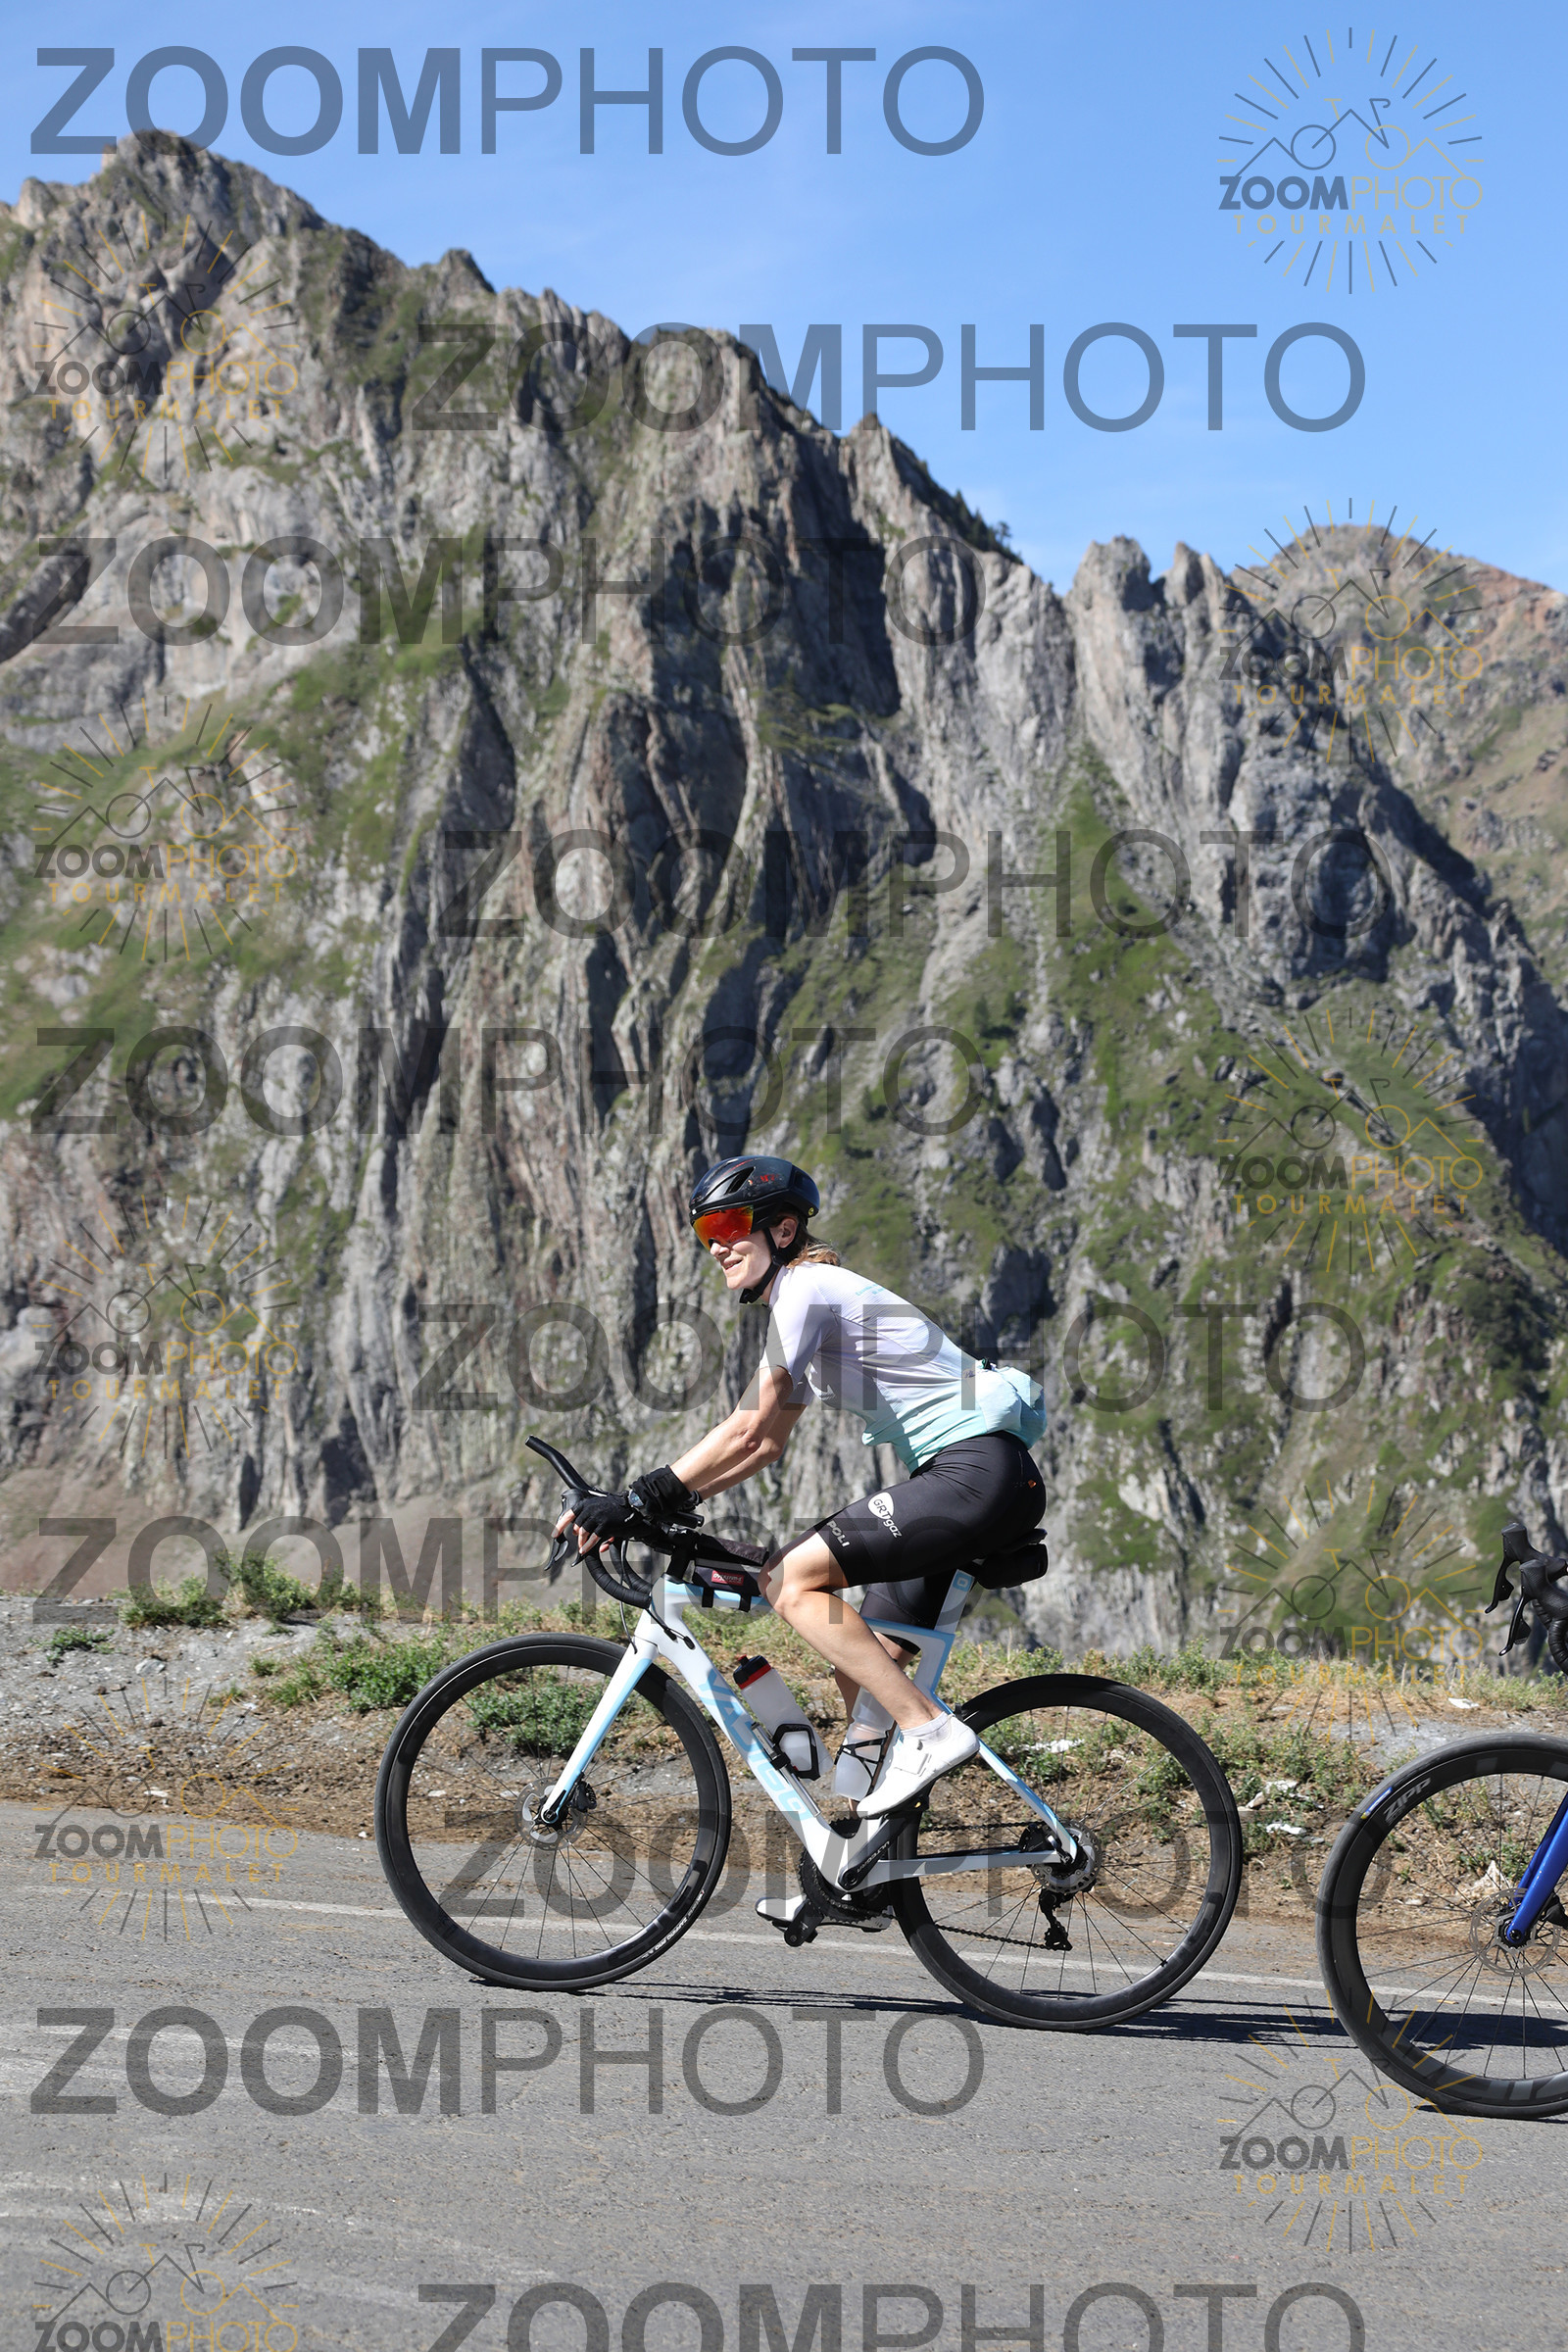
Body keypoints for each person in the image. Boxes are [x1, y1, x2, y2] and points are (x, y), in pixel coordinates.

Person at [557, 1154, 1048, 1818]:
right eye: (706, 1234)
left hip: (971, 1473)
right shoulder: (811, 1303)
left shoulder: (806, 1289)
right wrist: (669, 1505)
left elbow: (746, 1425)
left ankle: (931, 1733)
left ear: (783, 1230)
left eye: (730, 1226)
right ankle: (868, 1841)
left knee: (788, 1581)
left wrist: (637, 1498)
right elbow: (765, 1444)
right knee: (863, 1661)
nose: (717, 1246)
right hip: (981, 1477)